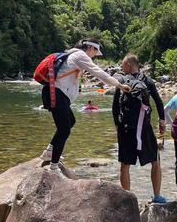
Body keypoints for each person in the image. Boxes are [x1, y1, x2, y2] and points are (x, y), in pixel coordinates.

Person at [39, 39, 130, 179]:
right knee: (64, 130)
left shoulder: (71, 54)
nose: (94, 56)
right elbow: (98, 72)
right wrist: (119, 85)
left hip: (55, 93)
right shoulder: (79, 56)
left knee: (71, 121)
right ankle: (53, 167)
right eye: (94, 52)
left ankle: (50, 151)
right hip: (56, 94)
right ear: (89, 48)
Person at [112, 54, 167, 203]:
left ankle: (127, 200)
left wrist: (118, 126)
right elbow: (158, 102)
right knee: (155, 161)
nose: (122, 68)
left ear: (129, 65)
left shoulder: (121, 82)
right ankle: (157, 196)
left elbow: (115, 107)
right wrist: (162, 122)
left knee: (125, 165)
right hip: (144, 128)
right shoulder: (147, 81)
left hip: (126, 128)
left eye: (123, 65)